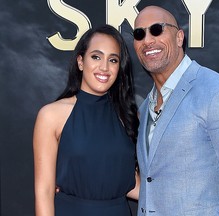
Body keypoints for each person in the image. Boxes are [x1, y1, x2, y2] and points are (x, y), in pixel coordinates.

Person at [133, 5, 219, 215]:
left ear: (179, 37)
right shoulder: (144, 107)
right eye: (139, 34)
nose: (148, 40)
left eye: (157, 29)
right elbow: (152, 182)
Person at [33, 25, 139, 216]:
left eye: (113, 60)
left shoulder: (128, 116)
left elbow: (130, 182)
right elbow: (44, 191)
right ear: (80, 62)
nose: (104, 67)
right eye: (96, 57)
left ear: (119, 67)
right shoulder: (51, 115)